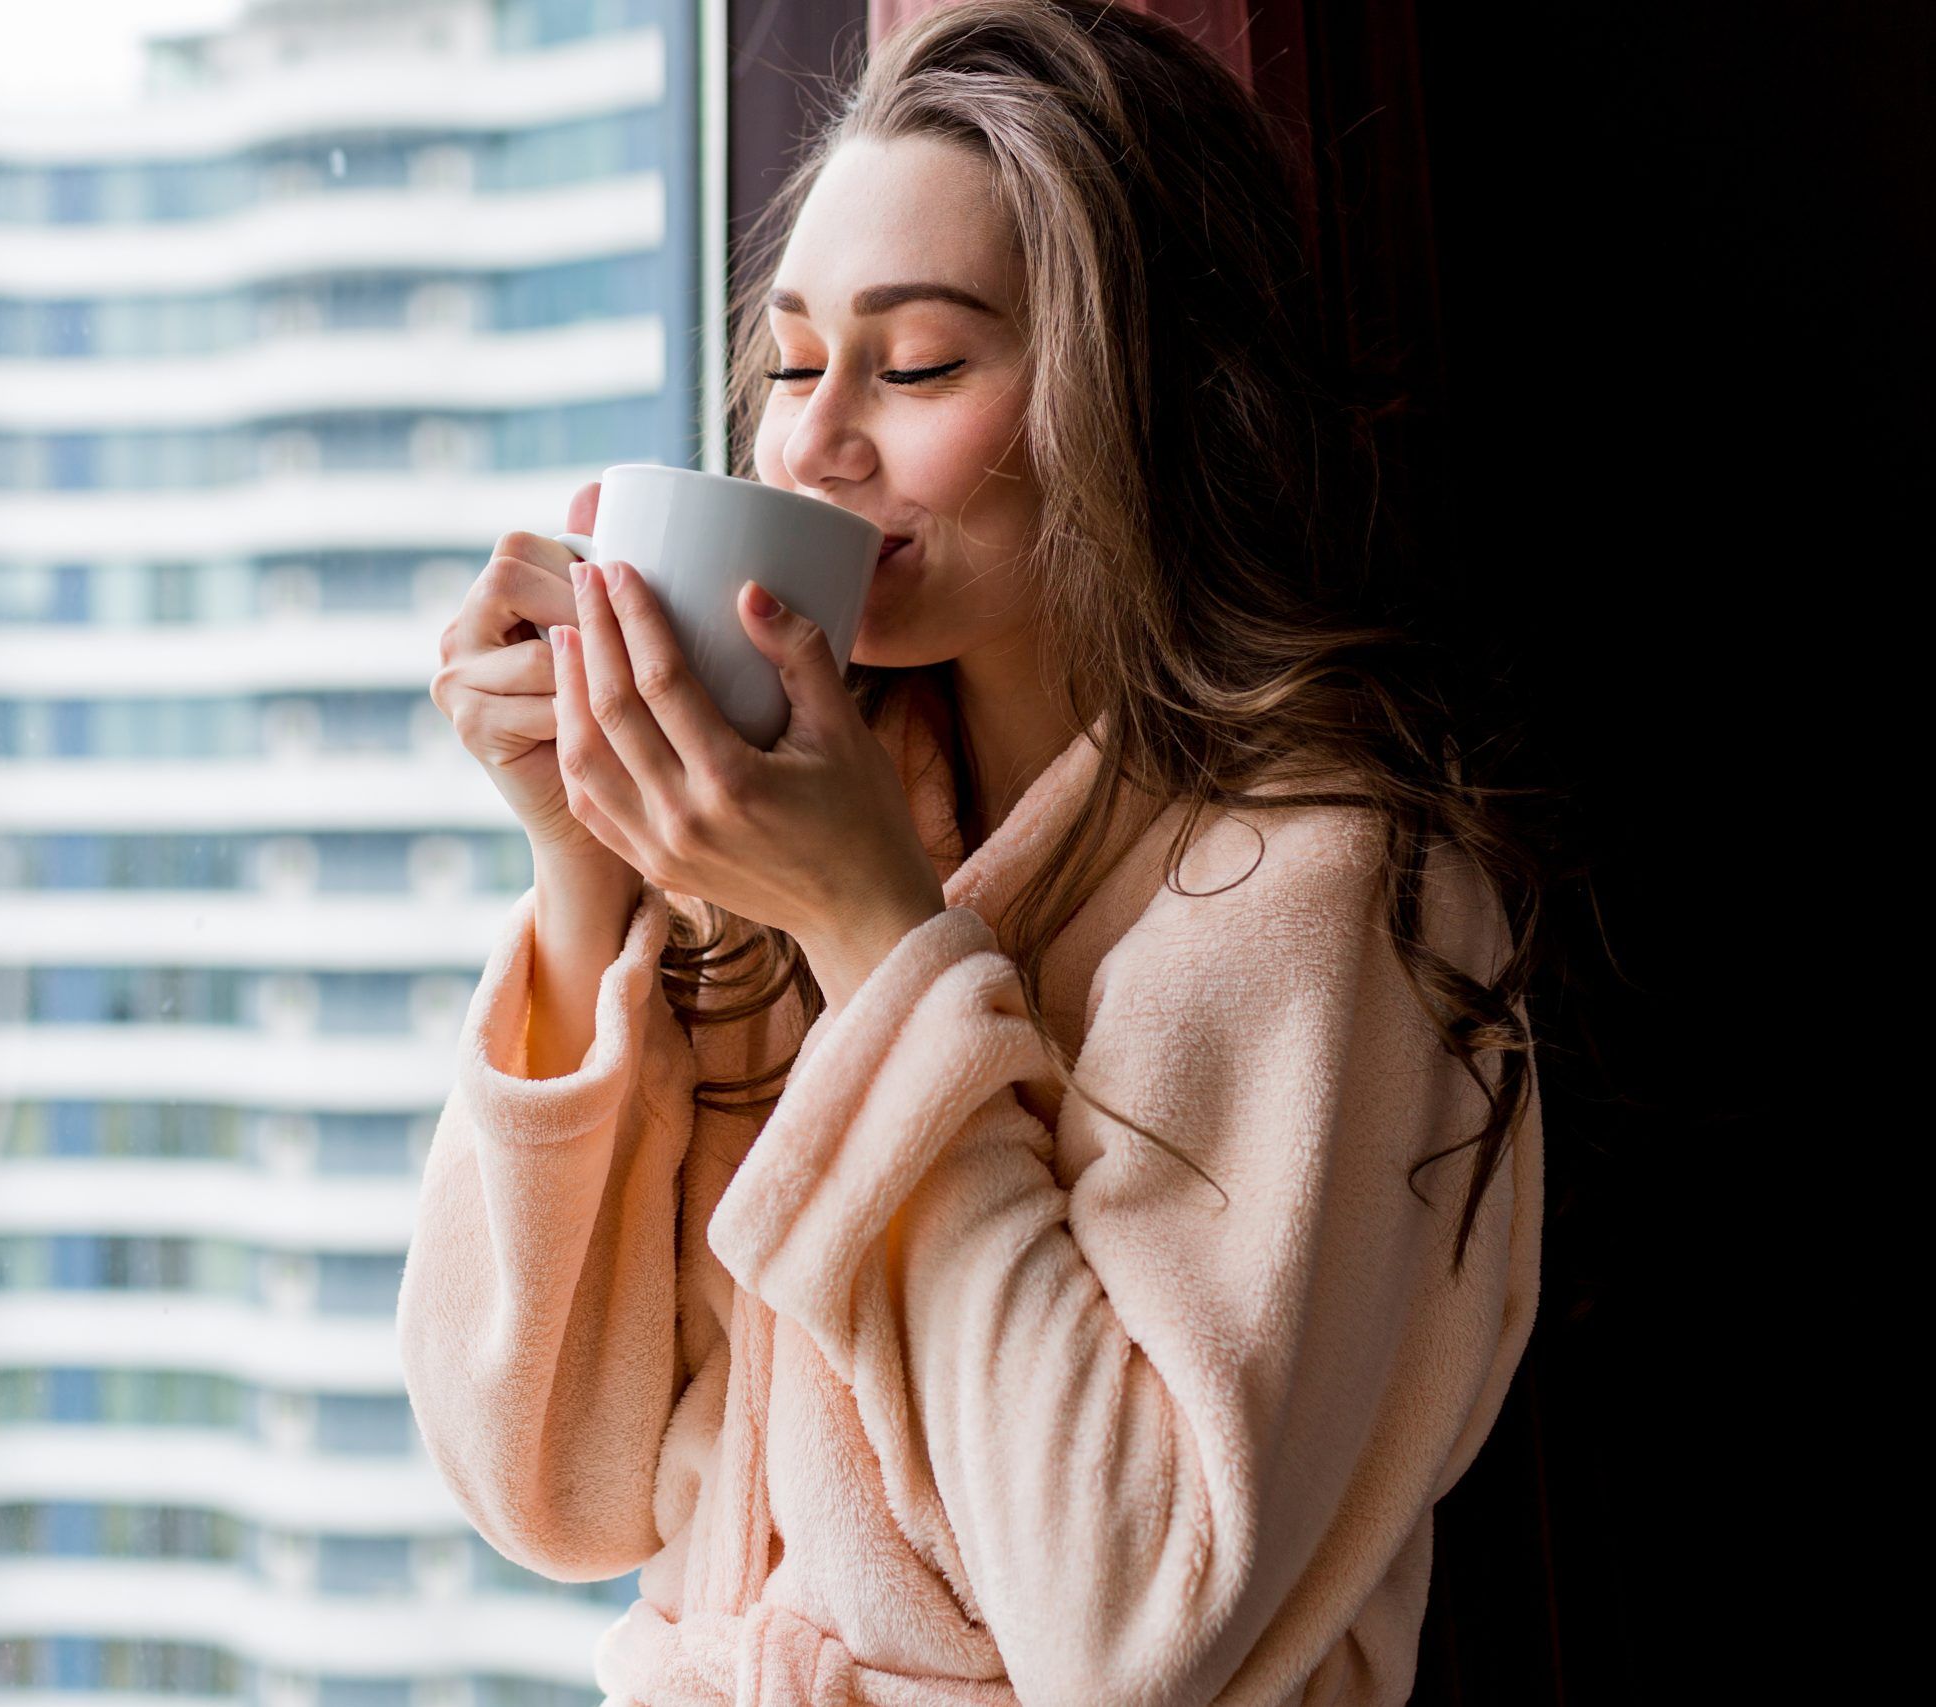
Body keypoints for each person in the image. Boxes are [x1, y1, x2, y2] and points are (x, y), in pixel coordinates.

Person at [395, 3, 1547, 1702]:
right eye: (795, 365)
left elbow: (1128, 1626)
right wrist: (585, 877)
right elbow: (549, 1484)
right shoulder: (808, 842)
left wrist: (878, 940)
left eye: (919, 366)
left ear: (1143, 396)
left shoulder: (1316, 893)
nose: (811, 443)